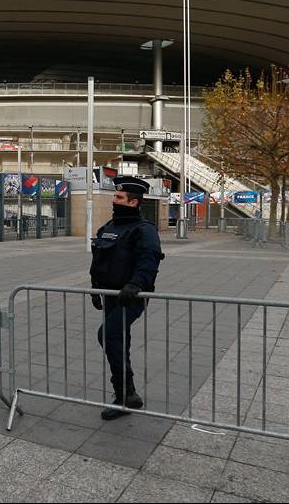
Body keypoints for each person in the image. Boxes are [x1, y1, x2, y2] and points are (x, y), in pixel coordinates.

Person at [89, 176, 164, 420]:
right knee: (119, 341)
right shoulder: (109, 227)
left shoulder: (144, 230)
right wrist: (95, 286)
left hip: (131, 296)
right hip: (111, 295)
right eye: (115, 196)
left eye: (119, 197)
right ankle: (126, 395)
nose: (114, 200)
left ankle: (126, 394)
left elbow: (148, 261)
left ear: (133, 203)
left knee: (107, 335)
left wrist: (136, 284)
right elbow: (99, 259)